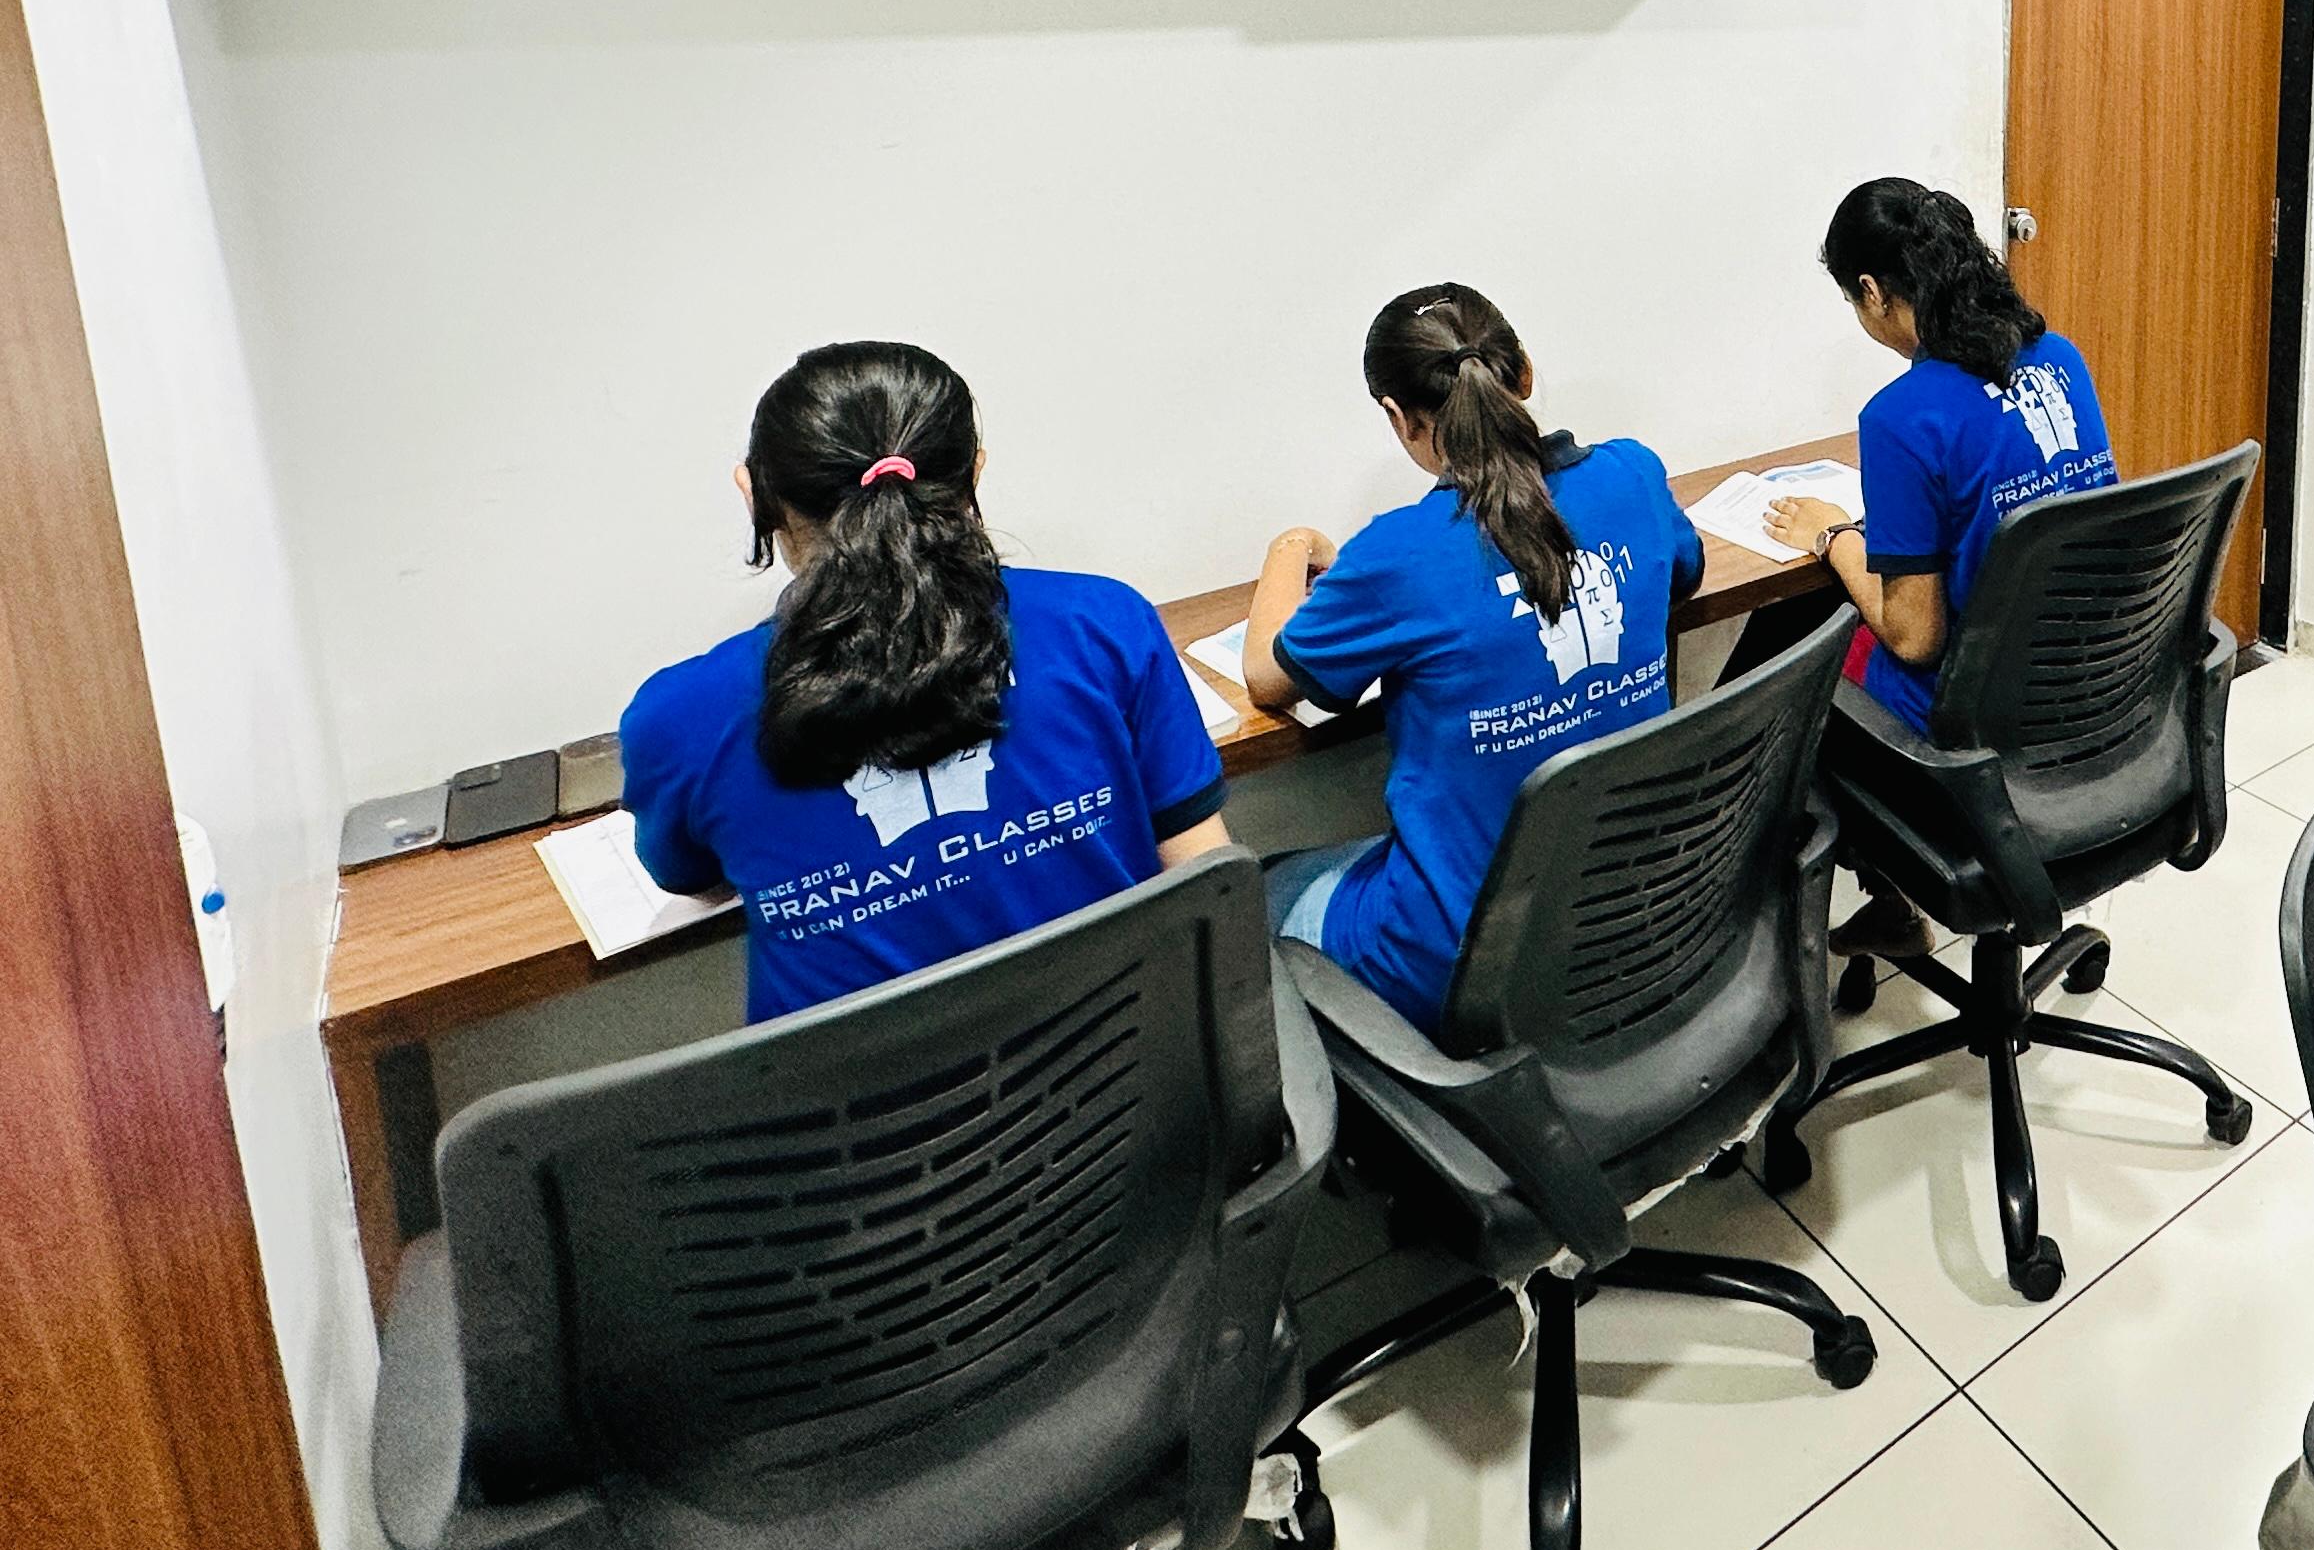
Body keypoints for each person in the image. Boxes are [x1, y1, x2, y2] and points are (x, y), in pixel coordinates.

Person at [623, 340, 1232, 1025]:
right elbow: (1210, 887)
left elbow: (694, 881)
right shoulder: (1105, 625)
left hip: (869, 1127)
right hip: (1133, 1089)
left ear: (755, 494)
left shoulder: (678, 720)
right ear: (974, 475)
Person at [1239, 284, 1700, 1035]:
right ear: (1523, 374)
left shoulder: (1398, 556)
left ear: (1397, 418)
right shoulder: (1633, 475)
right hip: (1639, 902)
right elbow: (1682, 571)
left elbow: (1266, 674)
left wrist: (1290, 549)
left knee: (1262, 891)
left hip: (1464, 956)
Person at [1766, 177, 2117, 735]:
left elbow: (1915, 639)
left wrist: (1833, 536)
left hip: (1969, 717)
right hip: (2086, 678)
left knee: (1782, 639)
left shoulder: (1899, 418)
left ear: (1872, 291)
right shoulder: (2060, 358)